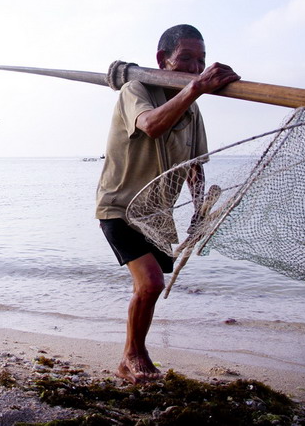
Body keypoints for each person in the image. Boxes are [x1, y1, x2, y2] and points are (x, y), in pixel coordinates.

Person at [95, 24, 240, 383]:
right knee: (152, 283)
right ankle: (134, 354)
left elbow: (194, 165)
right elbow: (151, 125)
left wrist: (198, 209)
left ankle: (129, 357)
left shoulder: (193, 110)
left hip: (157, 216)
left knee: (147, 287)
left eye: (201, 62)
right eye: (186, 59)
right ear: (163, 60)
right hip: (121, 206)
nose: (195, 68)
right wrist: (196, 88)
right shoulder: (136, 89)